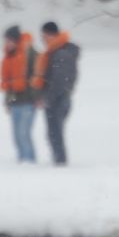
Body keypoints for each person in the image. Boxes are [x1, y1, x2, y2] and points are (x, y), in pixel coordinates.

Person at [34, 20, 79, 166]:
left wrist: (47, 98)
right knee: (53, 133)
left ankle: (60, 164)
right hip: (57, 98)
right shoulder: (56, 51)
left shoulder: (61, 53)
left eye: (44, 36)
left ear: (51, 35)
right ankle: (58, 161)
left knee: (55, 134)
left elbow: (60, 82)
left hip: (58, 99)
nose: (42, 40)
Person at [0, 26, 38, 163]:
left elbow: (37, 78)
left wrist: (37, 98)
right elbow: (8, 84)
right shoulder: (8, 57)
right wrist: (9, 102)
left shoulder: (29, 54)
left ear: (16, 40)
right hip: (15, 103)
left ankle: (29, 160)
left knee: (24, 133)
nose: (7, 43)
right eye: (6, 41)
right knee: (16, 135)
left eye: (9, 40)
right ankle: (22, 160)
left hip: (28, 103)